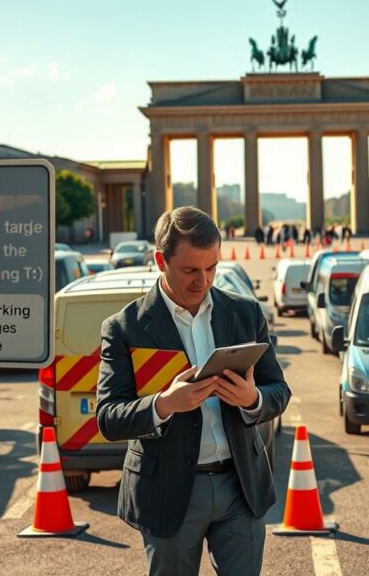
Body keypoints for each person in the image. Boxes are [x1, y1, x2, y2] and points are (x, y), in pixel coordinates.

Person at [97, 207, 291, 576]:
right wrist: (164, 404)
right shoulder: (125, 328)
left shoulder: (245, 314)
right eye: (190, 270)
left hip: (240, 486)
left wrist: (253, 400)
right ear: (160, 261)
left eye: (212, 267)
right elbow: (108, 417)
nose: (203, 280)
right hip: (168, 493)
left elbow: (278, 389)